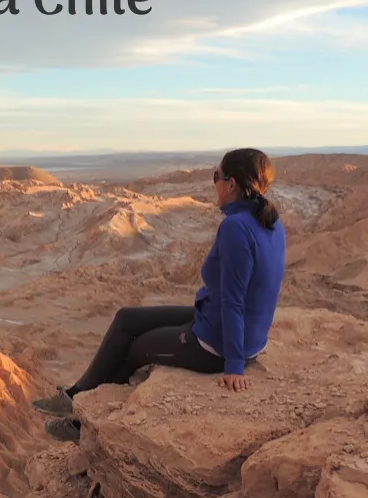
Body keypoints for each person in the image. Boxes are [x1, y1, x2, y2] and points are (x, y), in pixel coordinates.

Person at [33, 148, 287, 443]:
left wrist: (234, 366)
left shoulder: (236, 228)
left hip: (219, 343)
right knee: (126, 318)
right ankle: (75, 397)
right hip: (220, 322)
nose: (213, 183)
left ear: (231, 185)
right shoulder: (268, 220)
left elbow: (234, 299)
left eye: (215, 176)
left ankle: (82, 424)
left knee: (133, 349)